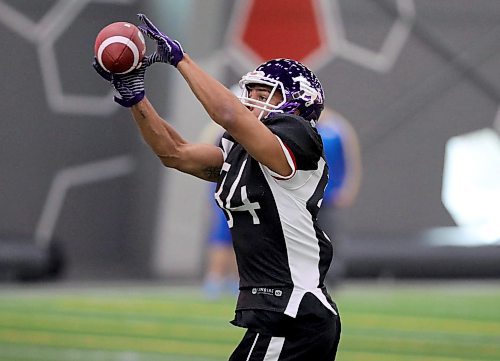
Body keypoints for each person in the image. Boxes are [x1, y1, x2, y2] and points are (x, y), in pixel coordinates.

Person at [93, 13, 341, 361]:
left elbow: (229, 115)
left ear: (296, 101)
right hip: (282, 312)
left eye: (264, 93)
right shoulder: (238, 152)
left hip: (294, 311)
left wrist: (181, 60)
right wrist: (137, 99)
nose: (252, 99)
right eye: (250, 91)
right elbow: (174, 153)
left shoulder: (300, 137)